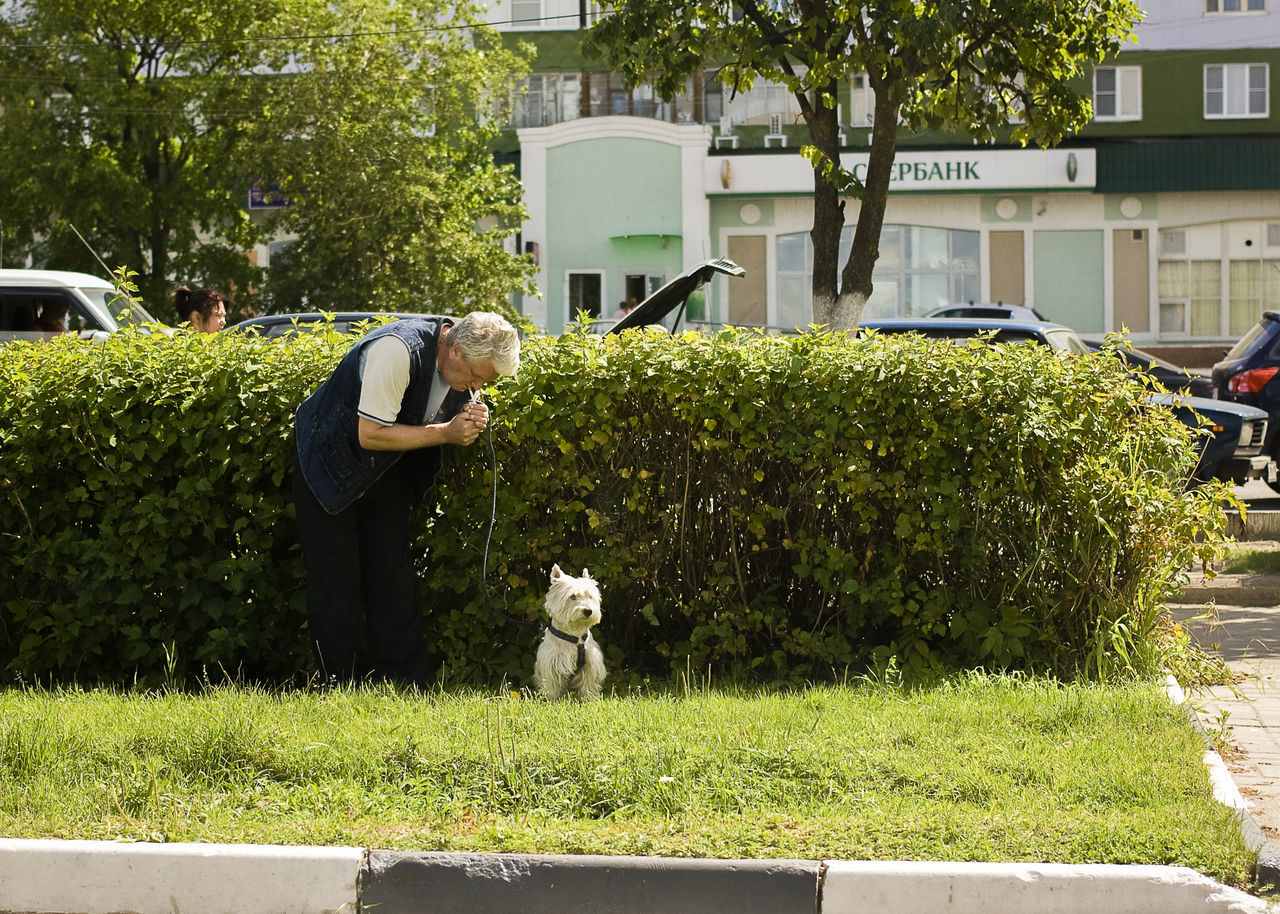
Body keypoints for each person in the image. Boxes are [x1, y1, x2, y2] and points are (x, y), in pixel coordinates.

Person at [292, 311, 521, 688]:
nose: (479, 385)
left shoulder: (458, 362)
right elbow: (371, 434)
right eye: (478, 376)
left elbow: (424, 410)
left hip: (385, 467)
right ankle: (337, 687)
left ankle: (406, 684)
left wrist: (463, 415)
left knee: (393, 574)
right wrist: (447, 433)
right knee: (336, 580)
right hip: (328, 460)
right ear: (457, 350)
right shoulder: (397, 350)